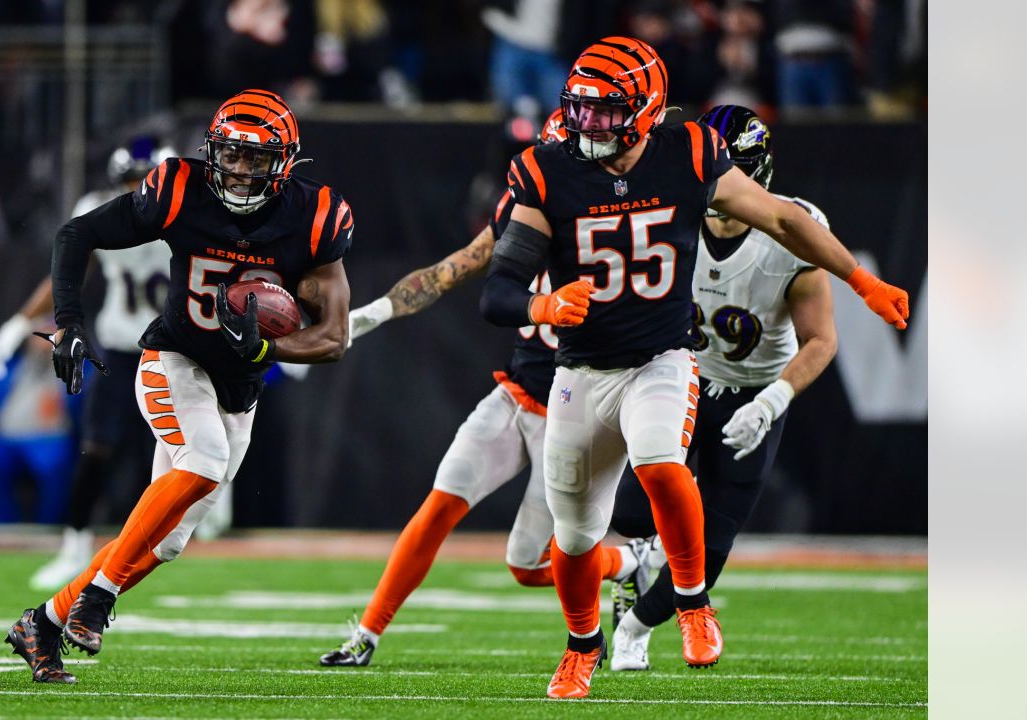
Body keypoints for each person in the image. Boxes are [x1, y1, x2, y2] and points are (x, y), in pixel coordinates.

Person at [479, 37, 908, 699]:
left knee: (658, 461)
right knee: (573, 536)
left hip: (664, 358)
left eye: (606, 110)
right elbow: (498, 290)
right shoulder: (544, 170)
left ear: (646, 108)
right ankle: (581, 645)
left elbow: (783, 219)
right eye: (581, 110)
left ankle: (691, 601)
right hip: (582, 371)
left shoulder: (690, 154)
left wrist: (857, 279)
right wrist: (543, 301)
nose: (589, 125)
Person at [3, 90, 354, 684]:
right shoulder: (177, 187)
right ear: (212, 150)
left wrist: (268, 349)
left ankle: (44, 621)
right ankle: (99, 598)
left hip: (239, 387)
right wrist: (67, 323)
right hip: (175, 358)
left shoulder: (314, 216)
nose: (241, 170)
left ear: (286, 162)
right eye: (232, 155)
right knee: (205, 459)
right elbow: (75, 235)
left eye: (257, 158)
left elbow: (334, 337)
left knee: (166, 541)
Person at [319, 110, 652, 667]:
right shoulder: (525, 211)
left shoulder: (621, 222)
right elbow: (454, 268)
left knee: (530, 565)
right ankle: (368, 636)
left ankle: (630, 564)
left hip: (574, 409)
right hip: (517, 390)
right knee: (439, 504)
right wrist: (369, 315)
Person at [606, 105, 839, 671]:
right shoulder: (666, 213)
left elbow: (821, 340)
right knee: (633, 513)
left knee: (708, 552)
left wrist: (772, 401)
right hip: (681, 375)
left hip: (755, 392)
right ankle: (636, 562)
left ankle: (634, 628)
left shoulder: (792, 232)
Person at [0, 137, 175, 591]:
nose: (137, 191)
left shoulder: (190, 212)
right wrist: (20, 320)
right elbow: (70, 266)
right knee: (97, 447)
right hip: (120, 345)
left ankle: (189, 533)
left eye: (145, 180)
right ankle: (74, 546)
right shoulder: (101, 208)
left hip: (177, 349)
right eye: (129, 182)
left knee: (187, 451)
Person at [0, 331, 84, 524]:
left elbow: (87, 405)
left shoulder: (78, 369)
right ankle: (3, 528)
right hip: (5, 439)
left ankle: (47, 528)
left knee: (55, 464)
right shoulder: (8, 367)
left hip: (50, 439)